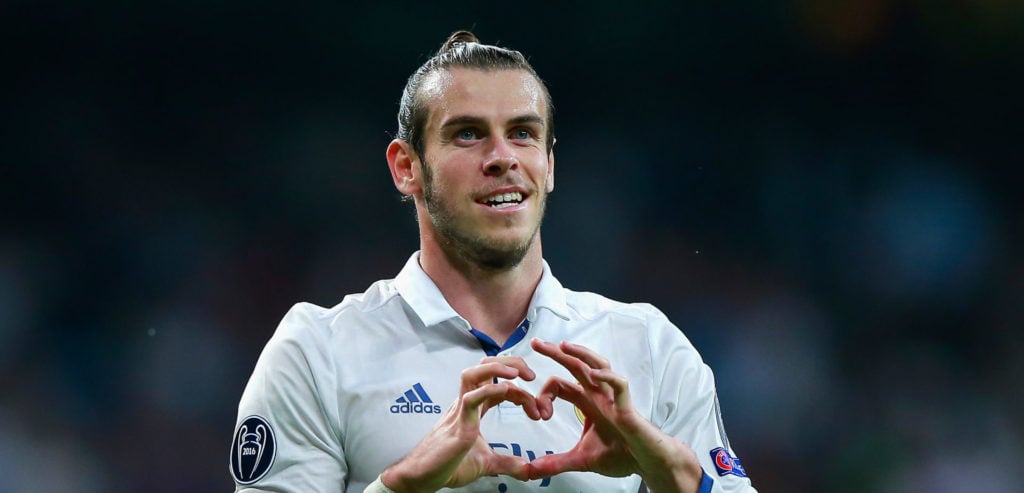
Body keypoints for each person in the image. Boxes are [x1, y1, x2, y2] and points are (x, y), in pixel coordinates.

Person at [230, 31, 757, 493]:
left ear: (548, 166)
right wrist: (402, 484)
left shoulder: (648, 347)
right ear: (406, 167)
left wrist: (681, 479)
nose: (503, 156)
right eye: (468, 133)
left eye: (523, 133)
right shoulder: (317, 353)